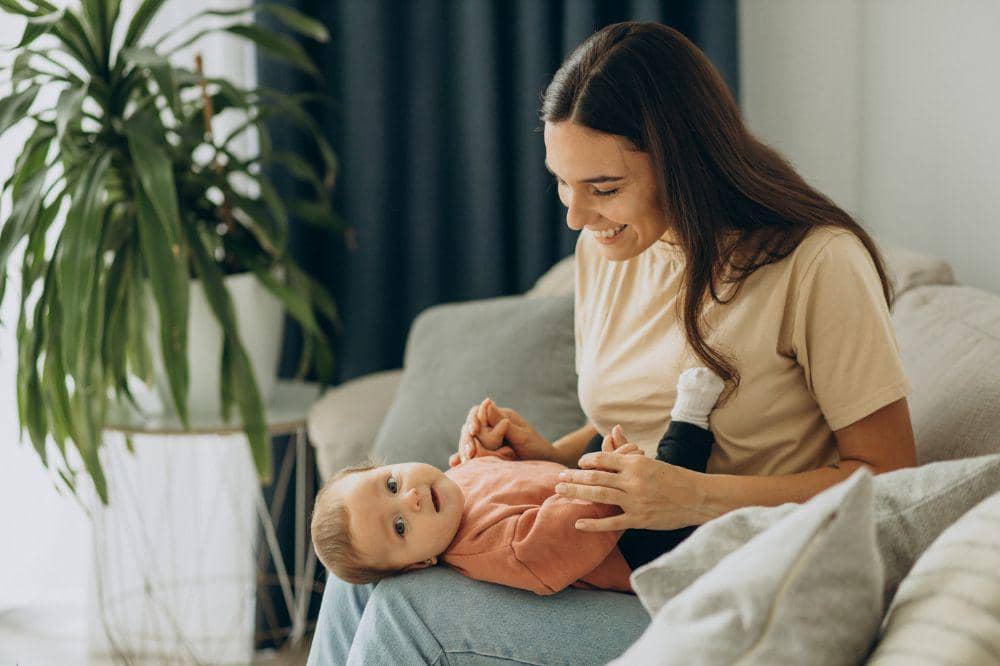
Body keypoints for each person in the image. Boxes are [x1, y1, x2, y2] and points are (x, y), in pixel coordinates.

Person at [309, 20, 917, 665]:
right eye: (561, 182)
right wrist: (550, 458)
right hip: (629, 570)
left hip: (746, 589)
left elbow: (890, 477)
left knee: (412, 610)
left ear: (686, 162)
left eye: (603, 189)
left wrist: (698, 496)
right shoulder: (606, 252)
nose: (575, 215)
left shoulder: (816, 263)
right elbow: (630, 428)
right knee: (360, 581)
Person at [309, 369, 725, 595]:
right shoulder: (490, 546)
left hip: (589, 498)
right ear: (420, 564)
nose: (413, 498)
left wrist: (490, 448)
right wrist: (605, 484)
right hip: (628, 550)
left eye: (392, 485)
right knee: (662, 500)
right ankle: (690, 421)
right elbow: (557, 539)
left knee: (603, 441)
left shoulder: (452, 484)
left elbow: (501, 481)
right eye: (399, 526)